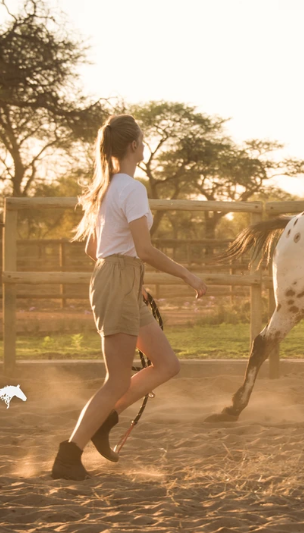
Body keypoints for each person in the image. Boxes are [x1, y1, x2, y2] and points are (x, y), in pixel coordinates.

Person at [51, 114, 207, 480]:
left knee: (167, 364)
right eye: (142, 138)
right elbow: (145, 249)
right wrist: (187, 274)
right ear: (135, 145)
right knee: (116, 381)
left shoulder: (106, 188)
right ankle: (69, 455)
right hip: (119, 281)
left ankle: (104, 422)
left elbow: (94, 249)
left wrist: (129, 276)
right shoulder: (131, 189)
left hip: (118, 279)